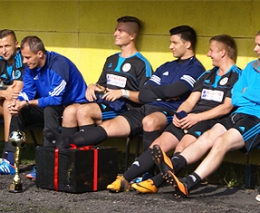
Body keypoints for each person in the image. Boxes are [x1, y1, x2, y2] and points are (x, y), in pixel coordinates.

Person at [44, 25, 205, 161]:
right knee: (106, 125)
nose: (170, 46)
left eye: (174, 43)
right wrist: (164, 93)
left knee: (149, 121)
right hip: (145, 107)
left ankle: (145, 172)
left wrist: (161, 93)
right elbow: (146, 92)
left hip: (167, 111)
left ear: (188, 44)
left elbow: (174, 91)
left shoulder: (196, 68)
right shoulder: (166, 66)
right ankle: (68, 144)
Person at [152, 30, 260, 198]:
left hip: (255, 118)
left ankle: (189, 182)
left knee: (221, 142)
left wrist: (248, 91)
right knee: (207, 136)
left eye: (259, 45)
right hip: (239, 113)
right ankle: (173, 164)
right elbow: (236, 96)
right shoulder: (251, 66)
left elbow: (242, 93)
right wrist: (250, 93)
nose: (255, 49)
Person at [131, 34, 241, 194]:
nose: (208, 54)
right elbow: (190, 101)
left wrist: (196, 117)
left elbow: (226, 108)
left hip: (211, 121)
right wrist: (180, 114)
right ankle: (129, 178)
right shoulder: (207, 75)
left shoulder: (238, 75)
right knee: (160, 144)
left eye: (211, 50)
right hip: (192, 118)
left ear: (223, 52)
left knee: (182, 145)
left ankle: (156, 182)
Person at [49, 16, 152, 140]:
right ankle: (67, 155)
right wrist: (93, 86)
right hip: (106, 102)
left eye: (120, 31)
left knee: (84, 111)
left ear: (132, 36)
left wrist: (122, 93)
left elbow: (146, 97)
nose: (115, 34)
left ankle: (88, 155)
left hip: (126, 108)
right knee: (69, 111)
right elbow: (102, 86)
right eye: (116, 30)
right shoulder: (111, 59)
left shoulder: (141, 63)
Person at [6, 35, 88, 175]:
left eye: (27, 57)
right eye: (23, 57)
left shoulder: (58, 64)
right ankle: (10, 160)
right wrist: (18, 102)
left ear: (40, 54)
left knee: (50, 110)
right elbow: (28, 92)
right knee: (19, 111)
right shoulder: (31, 67)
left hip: (73, 104)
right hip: (49, 103)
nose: (24, 62)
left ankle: (46, 163)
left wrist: (27, 102)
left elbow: (56, 99)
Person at [0, 29, 24, 174]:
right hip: (8, 100)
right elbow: (8, 91)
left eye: (7, 46)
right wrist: (4, 91)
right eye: (0, 47)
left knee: (9, 103)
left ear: (16, 44)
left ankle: (9, 159)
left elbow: (16, 91)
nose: (3, 51)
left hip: (26, 105)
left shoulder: (22, 58)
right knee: (6, 100)